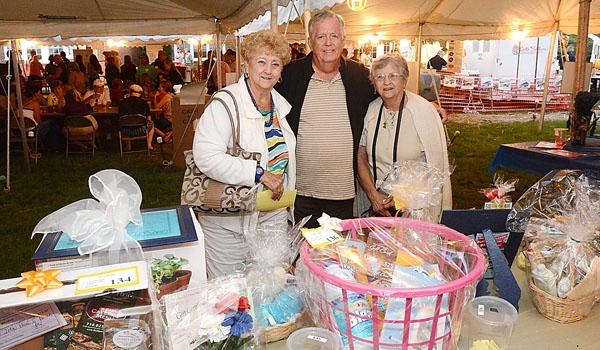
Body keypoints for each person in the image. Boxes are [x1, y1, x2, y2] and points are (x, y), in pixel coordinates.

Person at [276, 9, 448, 228]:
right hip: (301, 192)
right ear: (310, 41)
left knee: (340, 255)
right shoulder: (291, 75)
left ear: (343, 40)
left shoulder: (358, 76)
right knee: (303, 254)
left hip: (343, 194)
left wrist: (425, 105)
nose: (328, 43)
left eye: (334, 36)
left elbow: (389, 91)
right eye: (321, 37)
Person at [192, 29, 295, 278]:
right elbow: (206, 156)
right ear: (246, 65)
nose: (268, 70)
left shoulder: (279, 106)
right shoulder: (226, 103)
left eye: (275, 64)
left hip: (273, 214)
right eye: (261, 62)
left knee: (272, 287)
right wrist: (258, 173)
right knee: (229, 291)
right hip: (230, 222)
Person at [356, 53, 452, 219]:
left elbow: (435, 168)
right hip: (377, 205)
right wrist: (374, 196)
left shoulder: (424, 112)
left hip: (416, 209)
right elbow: (360, 155)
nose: (387, 82)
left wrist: (402, 199)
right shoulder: (370, 110)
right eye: (380, 77)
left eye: (393, 75)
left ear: (405, 79)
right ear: (373, 82)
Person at [118, 84, 155, 151]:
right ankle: (149, 145)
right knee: (151, 123)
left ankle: (128, 146)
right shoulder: (144, 103)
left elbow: (120, 117)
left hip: (126, 131)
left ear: (130, 92)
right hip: (141, 130)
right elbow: (148, 118)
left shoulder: (122, 102)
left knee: (123, 124)